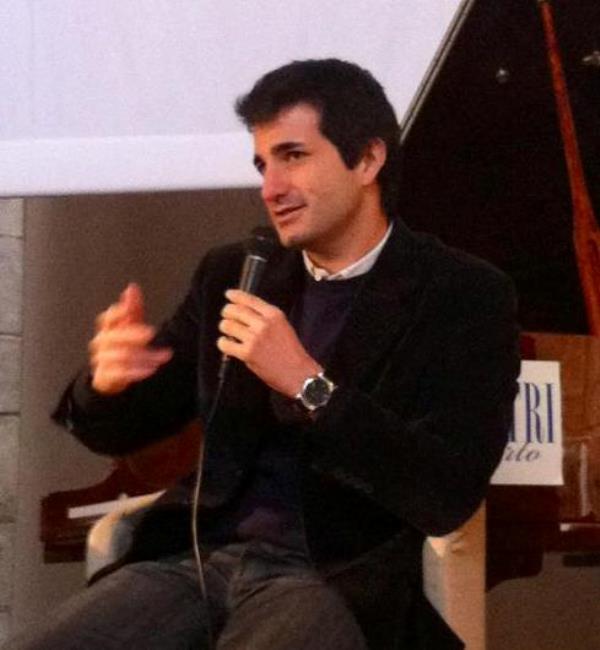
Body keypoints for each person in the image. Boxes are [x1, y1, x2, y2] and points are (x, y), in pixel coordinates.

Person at [5, 59, 520, 649]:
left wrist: (309, 386)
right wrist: (106, 385)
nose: (270, 189)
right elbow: (132, 425)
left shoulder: (462, 293)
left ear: (367, 160)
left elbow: (446, 493)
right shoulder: (236, 272)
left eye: (293, 156)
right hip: (193, 561)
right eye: (262, 164)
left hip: (331, 575)